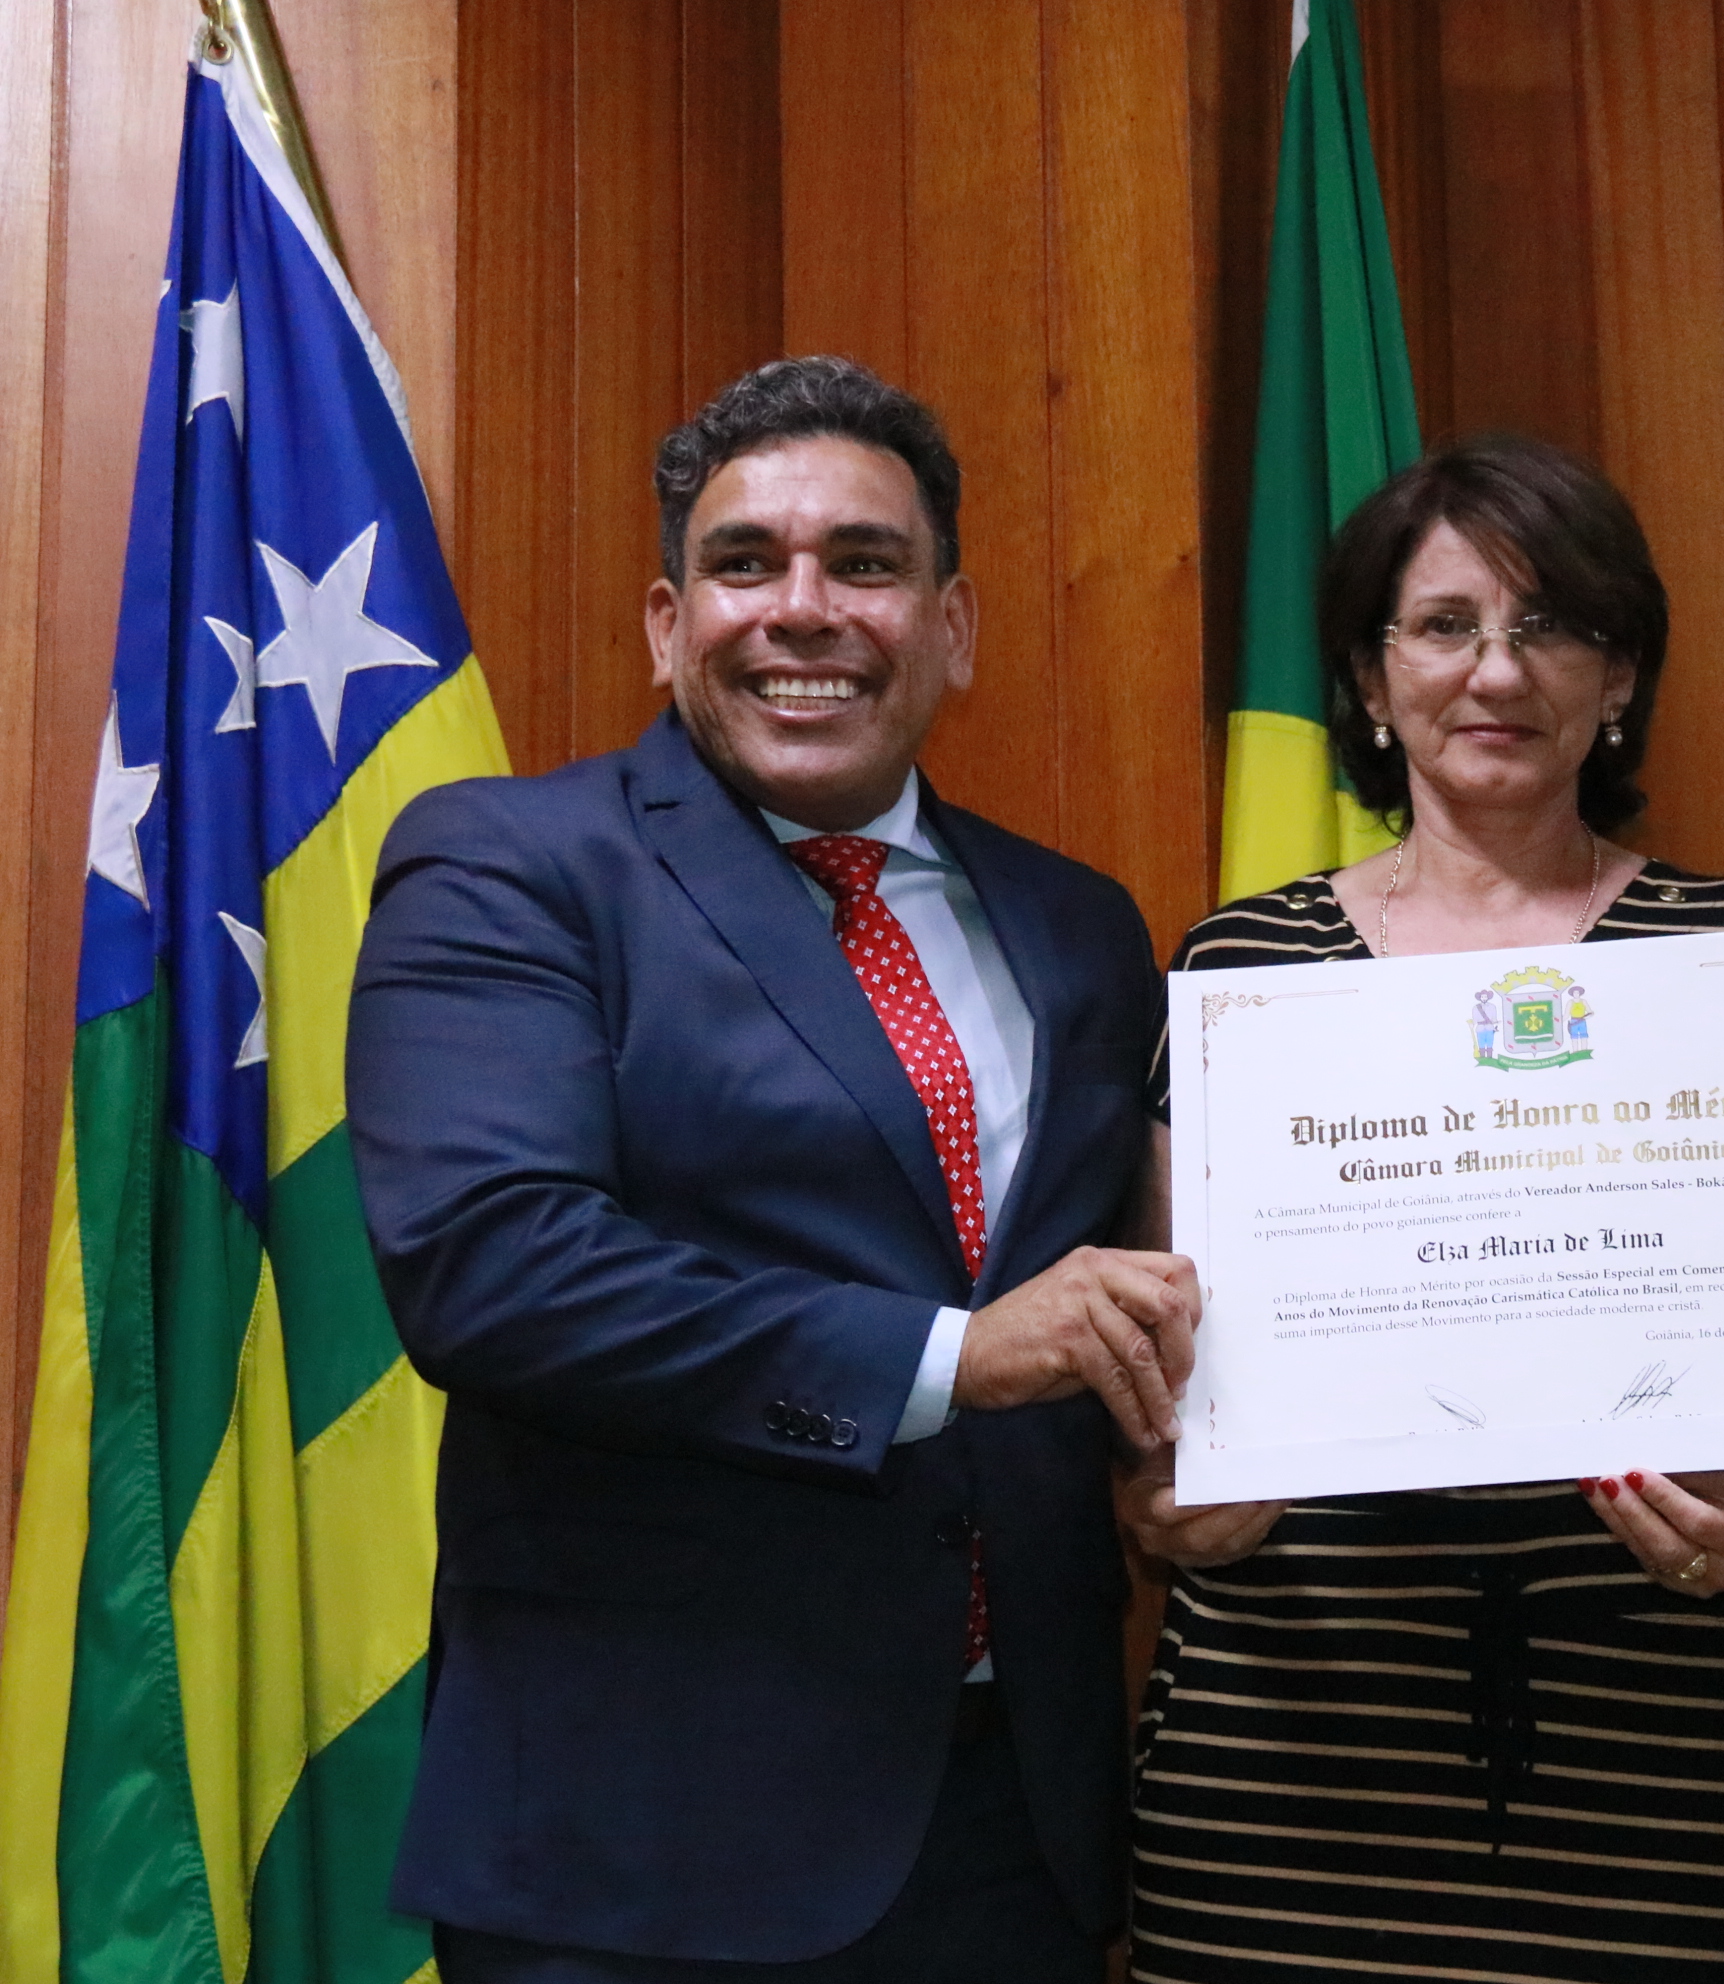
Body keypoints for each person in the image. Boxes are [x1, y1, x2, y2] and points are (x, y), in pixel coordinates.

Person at [348, 356, 1196, 1983]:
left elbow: (1096, 1296)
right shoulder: (513, 868)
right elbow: (495, 1272)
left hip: (1013, 1826)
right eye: (746, 564)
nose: (803, 610)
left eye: (864, 563)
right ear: (669, 626)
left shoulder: (1079, 924)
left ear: (952, 626)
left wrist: (1180, 1464)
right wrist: (955, 1358)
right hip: (648, 1844)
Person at [1121, 434, 1724, 1981]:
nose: (1497, 672)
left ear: (1619, 675)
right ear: (1370, 682)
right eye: (1444, 626)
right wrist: (1163, 1489)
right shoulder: (1243, 974)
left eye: (1551, 626)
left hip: (1669, 1736)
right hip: (1298, 1728)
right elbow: (1164, 1358)